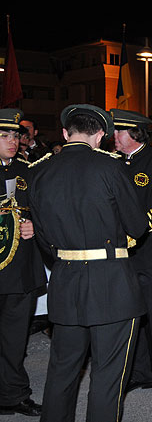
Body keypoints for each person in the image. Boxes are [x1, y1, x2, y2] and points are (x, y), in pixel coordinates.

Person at [28, 104, 149, 421]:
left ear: (66, 133)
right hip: (111, 283)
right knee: (108, 377)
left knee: (62, 371)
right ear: (100, 136)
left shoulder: (40, 172)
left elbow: (42, 237)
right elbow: (137, 226)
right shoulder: (109, 168)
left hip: (66, 279)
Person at [110, 109, 152, 393]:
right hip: (119, 253)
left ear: (134, 134)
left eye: (118, 132)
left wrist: (136, 226)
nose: (113, 137)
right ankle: (136, 372)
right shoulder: (110, 163)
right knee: (126, 312)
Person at [0, 109, 46, 417]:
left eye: (16, 135)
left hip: (19, 271)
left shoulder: (27, 170)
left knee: (15, 339)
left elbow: (42, 211)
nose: (12, 141)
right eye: (4, 136)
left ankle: (12, 394)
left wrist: (35, 226)